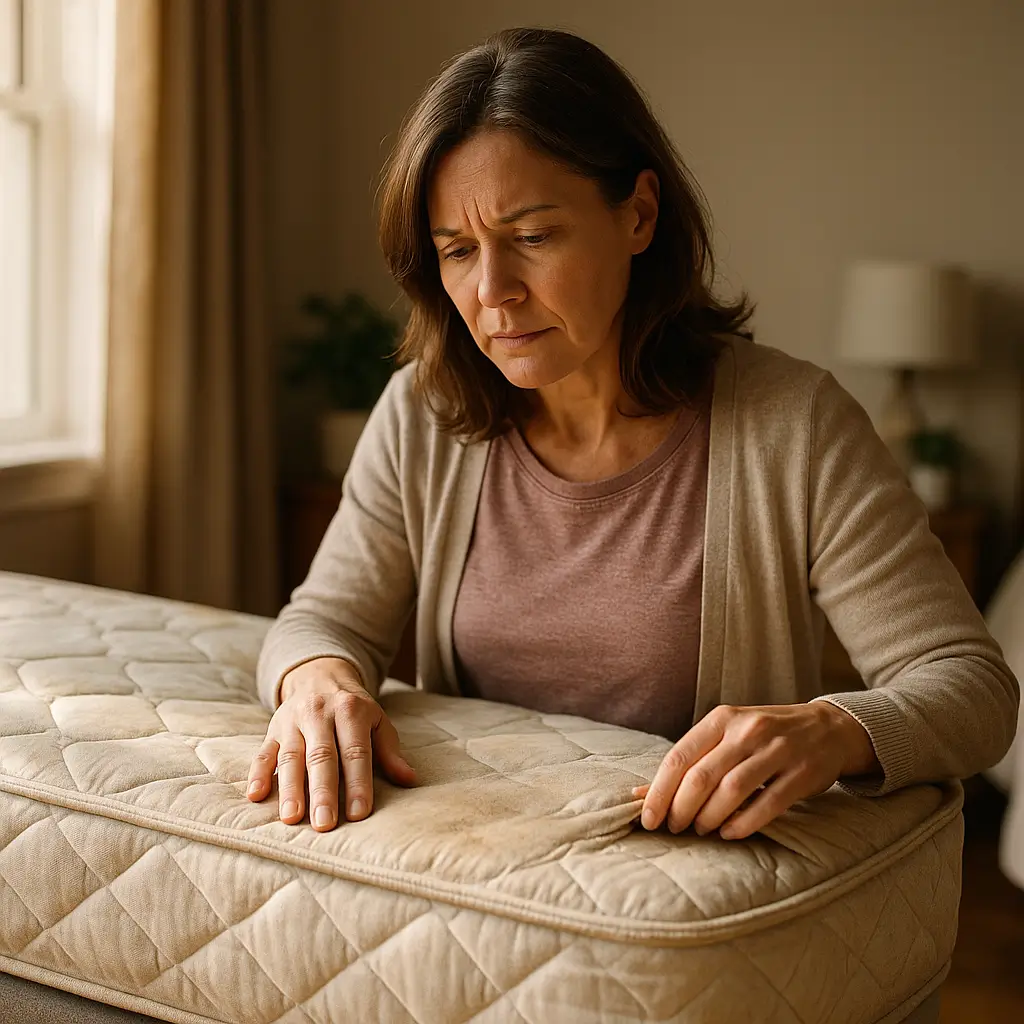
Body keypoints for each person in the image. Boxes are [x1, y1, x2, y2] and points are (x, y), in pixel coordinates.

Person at [247, 26, 1018, 841]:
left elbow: (973, 690)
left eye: (532, 237)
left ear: (639, 215)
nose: (494, 291)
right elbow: (323, 620)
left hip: (681, 879)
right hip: (474, 864)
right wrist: (317, 681)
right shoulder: (423, 411)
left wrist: (832, 728)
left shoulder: (797, 426)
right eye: (459, 251)